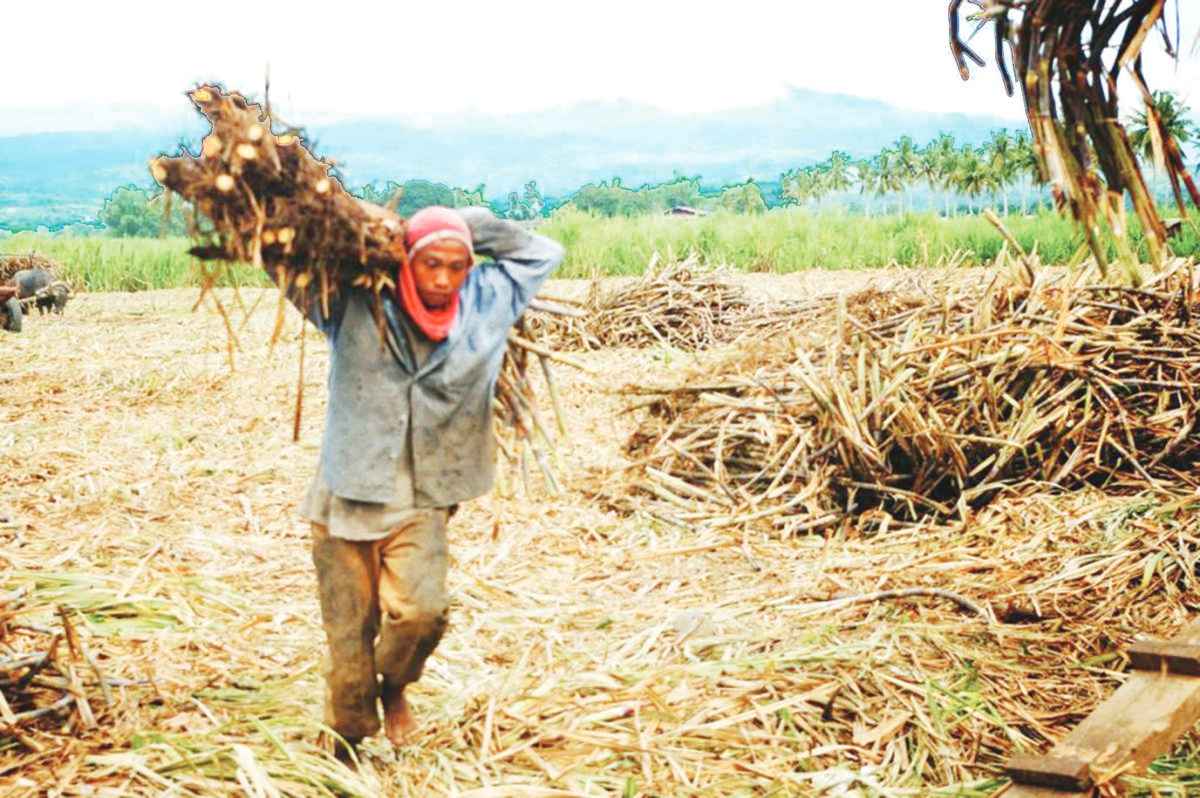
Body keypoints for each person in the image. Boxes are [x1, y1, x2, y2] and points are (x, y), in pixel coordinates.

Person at [276, 205, 564, 762]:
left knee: (422, 614)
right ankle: (348, 738)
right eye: (430, 263)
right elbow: (281, 261)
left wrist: (459, 222)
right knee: (349, 638)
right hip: (348, 493)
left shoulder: (489, 301)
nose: (442, 279)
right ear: (406, 259)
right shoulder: (352, 300)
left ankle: (396, 687)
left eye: (457, 266)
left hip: (425, 494)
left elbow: (543, 252)